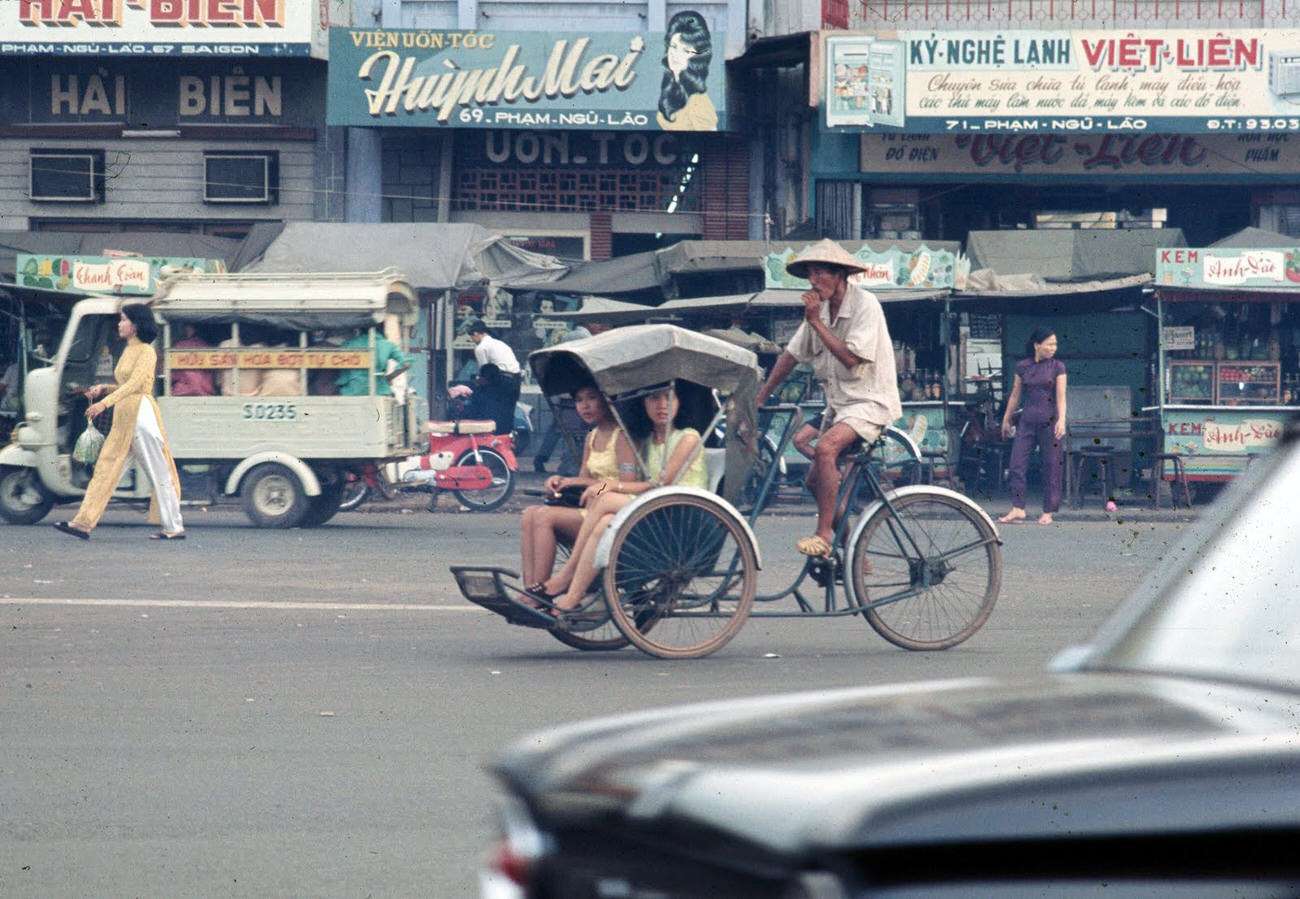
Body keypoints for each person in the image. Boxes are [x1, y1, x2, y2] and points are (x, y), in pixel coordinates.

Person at [756, 239, 902, 559]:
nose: (813, 280)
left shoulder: (865, 306)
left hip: (870, 403)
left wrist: (816, 322)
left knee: (824, 448)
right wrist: (762, 395)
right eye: (810, 273)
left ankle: (823, 535)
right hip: (839, 408)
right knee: (814, 484)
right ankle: (854, 553)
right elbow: (792, 355)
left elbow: (851, 359)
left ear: (840, 274)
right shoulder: (819, 311)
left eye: (820, 272)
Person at [530, 381, 708, 619]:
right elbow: (599, 479)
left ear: (680, 402)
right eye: (654, 399)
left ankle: (566, 576)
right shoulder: (647, 441)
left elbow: (659, 484)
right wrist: (569, 482)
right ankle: (571, 596)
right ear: (643, 403)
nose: (661, 406)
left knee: (605, 501)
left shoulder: (687, 438)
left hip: (678, 512)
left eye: (669, 398)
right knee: (604, 522)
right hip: (650, 506)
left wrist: (611, 486)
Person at [53, 304, 185, 541]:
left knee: (159, 473)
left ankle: (173, 527)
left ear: (135, 325)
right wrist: (104, 388)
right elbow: (126, 384)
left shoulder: (146, 351)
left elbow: (136, 385)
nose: (119, 324)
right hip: (124, 417)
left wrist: (105, 403)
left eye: (123, 320)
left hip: (141, 416)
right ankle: (82, 523)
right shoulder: (129, 349)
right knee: (105, 470)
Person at [517, 380, 636, 604]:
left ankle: (542, 594)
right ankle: (531, 588)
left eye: (591, 398)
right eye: (579, 401)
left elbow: (625, 481)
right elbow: (587, 478)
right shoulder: (592, 437)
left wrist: (598, 488)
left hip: (612, 510)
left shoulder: (621, 437)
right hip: (590, 506)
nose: (585, 406)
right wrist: (563, 480)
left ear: (605, 398)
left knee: (543, 517)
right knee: (529, 514)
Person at [998, 327, 1068, 526]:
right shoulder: (1023, 367)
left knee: (1051, 466)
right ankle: (1018, 508)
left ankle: (1048, 511)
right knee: (1016, 464)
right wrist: (1006, 418)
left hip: (1050, 421)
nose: (1053, 348)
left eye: (1055, 344)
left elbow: (1061, 397)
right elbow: (1015, 395)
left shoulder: (1058, 367)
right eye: (1050, 344)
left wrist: (1062, 419)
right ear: (1037, 345)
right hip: (1027, 421)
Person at [533, 320, 611, 474]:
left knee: (558, 426)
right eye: (599, 323)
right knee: (579, 428)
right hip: (574, 390)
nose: (601, 326)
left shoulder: (568, 335)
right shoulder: (584, 337)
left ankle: (542, 457)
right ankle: (572, 463)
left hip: (564, 390)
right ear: (590, 324)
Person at [656, 11, 718, 131]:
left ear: (696, 56)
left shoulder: (698, 102)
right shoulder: (673, 87)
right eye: (673, 46)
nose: (675, 55)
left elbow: (711, 142)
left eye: (685, 50)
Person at [468, 319, 521, 417]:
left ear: (476, 334)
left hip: (501, 382)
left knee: (492, 412)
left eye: (472, 337)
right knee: (508, 414)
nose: (472, 340)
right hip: (516, 380)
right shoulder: (500, 343)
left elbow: (484, 374)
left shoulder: (481, 348)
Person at [336, 328, 410, 396]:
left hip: (353, 391)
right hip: (380, 391)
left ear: (360, 330)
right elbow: (406, 364)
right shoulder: (387, 345)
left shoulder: (349, 344)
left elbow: (344, 373)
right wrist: (388, 378)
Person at [169, 323, 217, 397]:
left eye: (186, 328)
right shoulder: (209, 347)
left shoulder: (180, 346)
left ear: (192, 329)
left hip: (183, 391)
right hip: (206, 392)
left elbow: (173, 375)